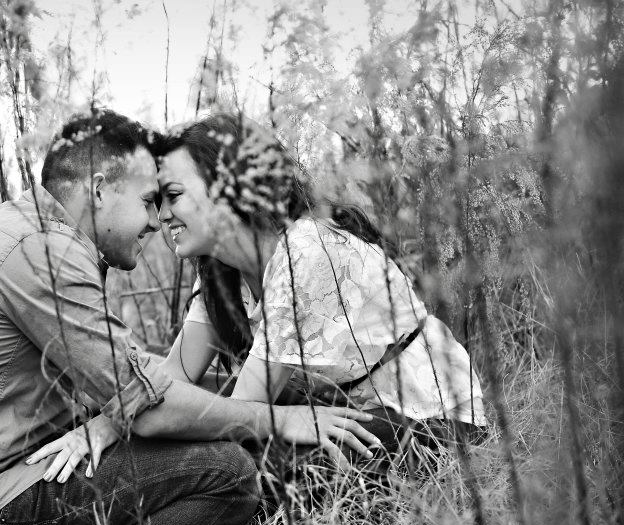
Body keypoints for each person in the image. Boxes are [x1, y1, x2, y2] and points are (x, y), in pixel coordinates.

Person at [0, 108, 379, 525]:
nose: (155, 220)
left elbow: (145, 384)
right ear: (99, 190)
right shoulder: (42, 251)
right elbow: (149, 404)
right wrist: (281, 420)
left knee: (211, 400)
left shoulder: (36, 236)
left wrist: (107, 422)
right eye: (149, 200)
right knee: (227, 472)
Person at [152, 113, 487, 477]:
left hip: (428, 414)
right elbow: (174, 378)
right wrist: (117, 420)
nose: (162, 215)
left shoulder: (308, 250)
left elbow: (241, 413)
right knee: (202, 411)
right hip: (341, 407)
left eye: (173, 196)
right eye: (156, 200)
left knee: (264, 468)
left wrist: (167, 424)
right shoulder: (219, 269)